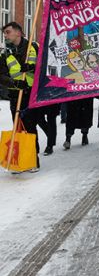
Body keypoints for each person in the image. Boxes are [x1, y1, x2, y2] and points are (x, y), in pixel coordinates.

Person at [0, 22, 41, 171]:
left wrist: (31, 67)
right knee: (17, 127)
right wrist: (15, 83)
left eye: (8, 32)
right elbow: (1, 75)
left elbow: (44, 67)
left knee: (30, 127)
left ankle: (33, 161)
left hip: (30, 94)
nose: (6, 35)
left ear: (18, 32)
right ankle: (20, 161)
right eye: (4, 33)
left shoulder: (33, 47)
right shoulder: (5, 53)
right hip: (15, 95)